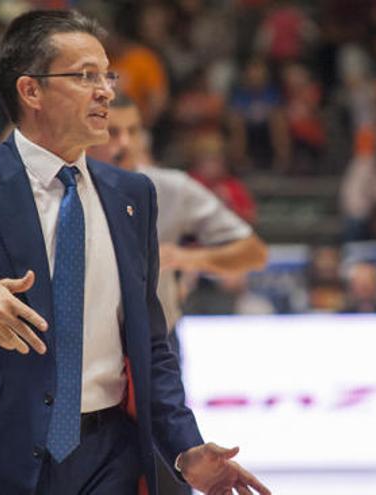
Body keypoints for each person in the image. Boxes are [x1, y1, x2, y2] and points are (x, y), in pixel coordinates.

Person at [0, 10, 269, 495]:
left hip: (110, 458)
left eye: (107, 74)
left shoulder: (134, 196)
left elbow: (151, 346)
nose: (106, 89)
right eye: (86, 76)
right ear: (31, 91)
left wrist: (184, 447)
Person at [88, 95, 268, 495]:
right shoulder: (69, 189)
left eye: (134, 131)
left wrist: (181, 255)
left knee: (169, 472)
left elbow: (253, 252)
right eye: (113, 131)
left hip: (155, 348)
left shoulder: (169, 189)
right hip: (87, 351)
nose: (125, 142)